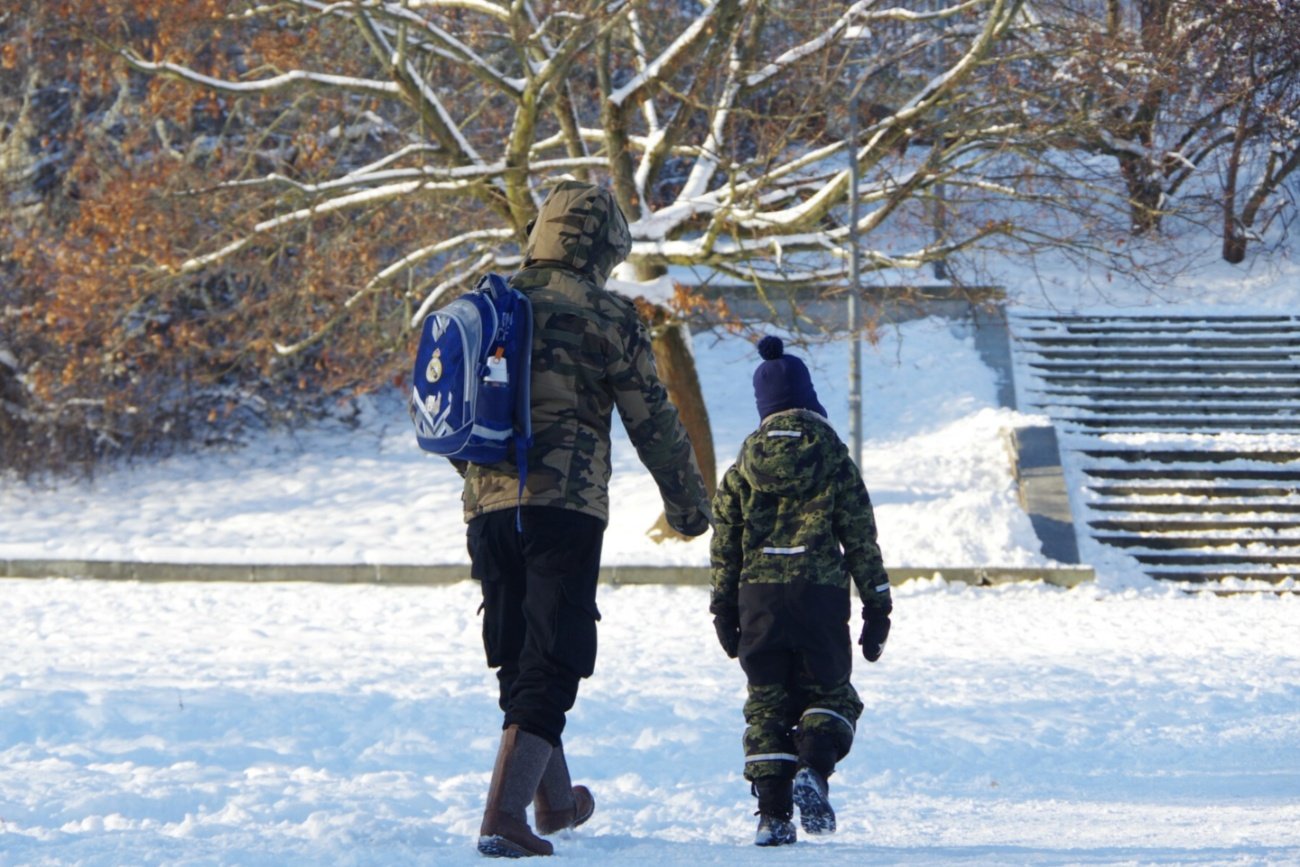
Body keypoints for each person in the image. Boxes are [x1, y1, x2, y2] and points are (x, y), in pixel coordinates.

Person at [458, 180, 713, 858]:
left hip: (488, 511)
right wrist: (688, 506)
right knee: (557, 652)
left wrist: (484, 488)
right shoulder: (606, 315)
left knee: (520, 653)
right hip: (563, 510)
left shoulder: (490, 306)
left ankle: (553, 799)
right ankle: (503, 816)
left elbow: (447, 410)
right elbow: (652, 421)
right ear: (601, 248)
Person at [708, 335, 892, 847]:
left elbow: (725, 543)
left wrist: (723, 607)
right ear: (810, 399)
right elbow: (860, 537)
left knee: (767, 705)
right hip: (819, 597)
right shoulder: (833, 458)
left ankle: (772, 816)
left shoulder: (741, 468)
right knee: (830, 695)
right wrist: (878, 606)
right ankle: (813, 768)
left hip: (759, 599)